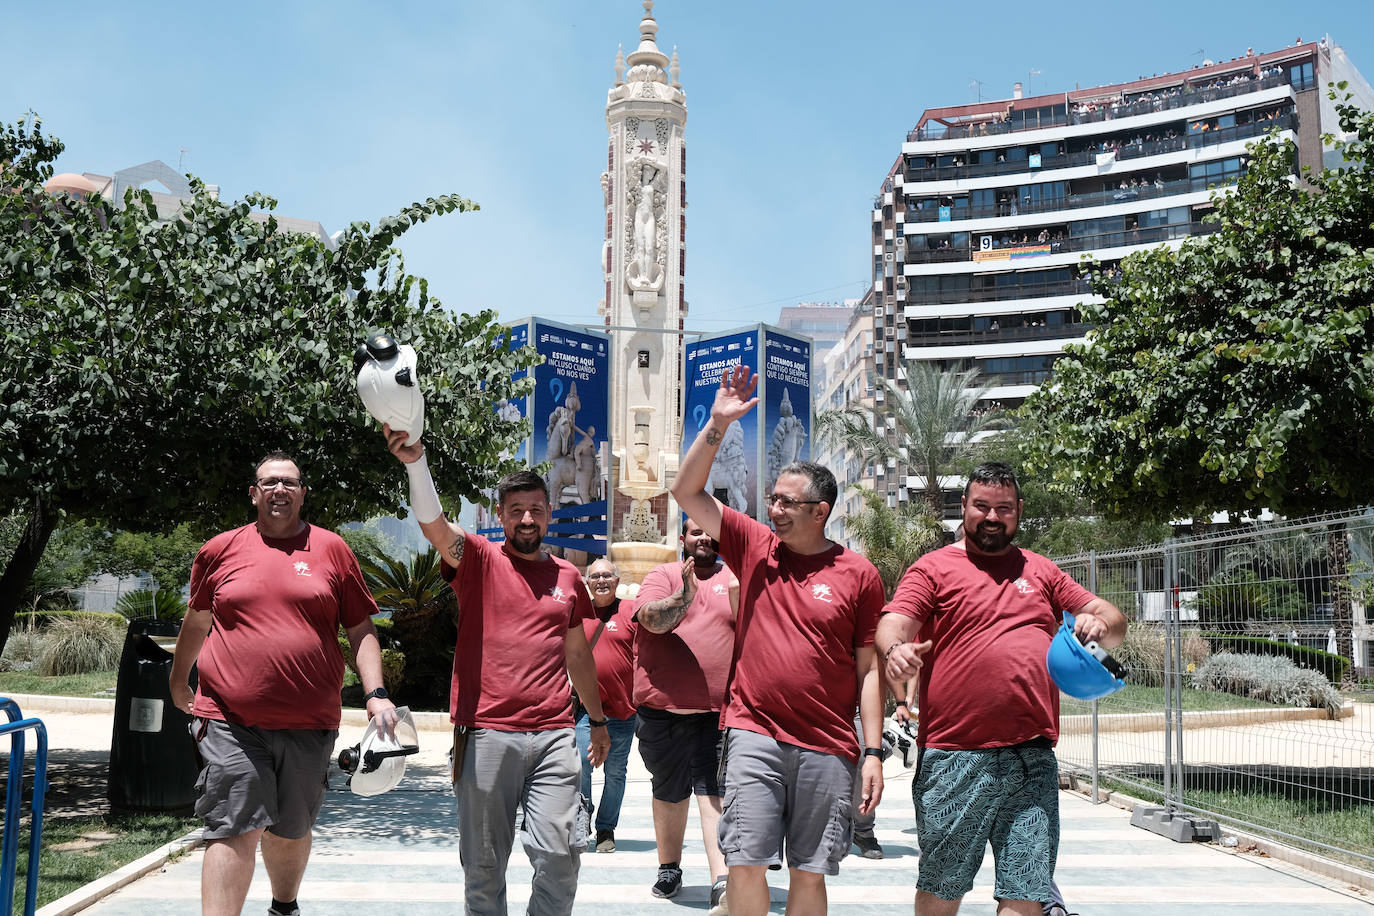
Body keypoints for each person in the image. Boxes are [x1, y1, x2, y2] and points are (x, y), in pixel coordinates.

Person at [671, 364, 887, 916]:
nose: (774, 510)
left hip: (827, 745)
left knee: (810, 875)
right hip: (753, 733)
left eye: (788, 503)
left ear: (821, 511)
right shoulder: (753, 544)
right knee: (745, 863)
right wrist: (717, 423)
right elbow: (686, 490)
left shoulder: (859, 574)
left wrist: (872, 750)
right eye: (772, 499)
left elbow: (868, 669)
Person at [875, 462, 1127, 916]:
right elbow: (895, 621)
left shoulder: (1042, 570)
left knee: (1028, 893)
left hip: (1031, 756)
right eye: (982, 506)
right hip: (955, 755)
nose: (992, 517)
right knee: (941, 890)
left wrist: (1099, 621)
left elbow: (1111, 619)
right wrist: (896, 649)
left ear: (1019, 511)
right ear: (964, 508)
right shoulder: (932, 569)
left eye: (1004, 508)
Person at [383, 424, 610, 915]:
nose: (526, 519)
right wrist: (416, 463)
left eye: (535, 509)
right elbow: (434, 524)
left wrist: (598, 718)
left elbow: (577, 655)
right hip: (487, 734)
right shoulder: (479, 561)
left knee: (561, 853)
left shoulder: (569, 577)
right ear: (501, 517)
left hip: (553, 734)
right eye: (515, 511)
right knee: (484, 865)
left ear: (549, 514)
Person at [169, 450, 398, 916]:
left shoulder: (332, 549)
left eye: (289, 483)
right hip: (231, 718)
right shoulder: (219, 549)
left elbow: (359, 628)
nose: (279, 489)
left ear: (302, 494)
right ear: (253, 493)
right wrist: (178, 679)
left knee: (291, 827)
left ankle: (284, 905)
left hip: (309, 720)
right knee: (233, 824)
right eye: (269, 482)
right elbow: (196, 622)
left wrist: (375, 694)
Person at [632, 518, 738, 906]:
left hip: (720, 714)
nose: (705, 537)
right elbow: (650, 620)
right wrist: (686, 594)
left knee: (714, 793)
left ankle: (722, 879)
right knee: (670, 791)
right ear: (683, 539)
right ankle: (669, 866)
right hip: (663, 710)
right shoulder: (663, 574)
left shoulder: (735, 581)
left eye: (711, 531)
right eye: (697, 532)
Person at [574, 558, 637, 855]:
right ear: (587, 582)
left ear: (617, 580)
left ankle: (606, 828)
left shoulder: (631, 611)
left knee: (615, 774)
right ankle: (582, 818)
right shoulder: (578, 614)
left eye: (607, 576)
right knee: (581, 767)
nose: (601, 580)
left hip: (623, 712)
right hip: (586, 711)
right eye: (595, 576)